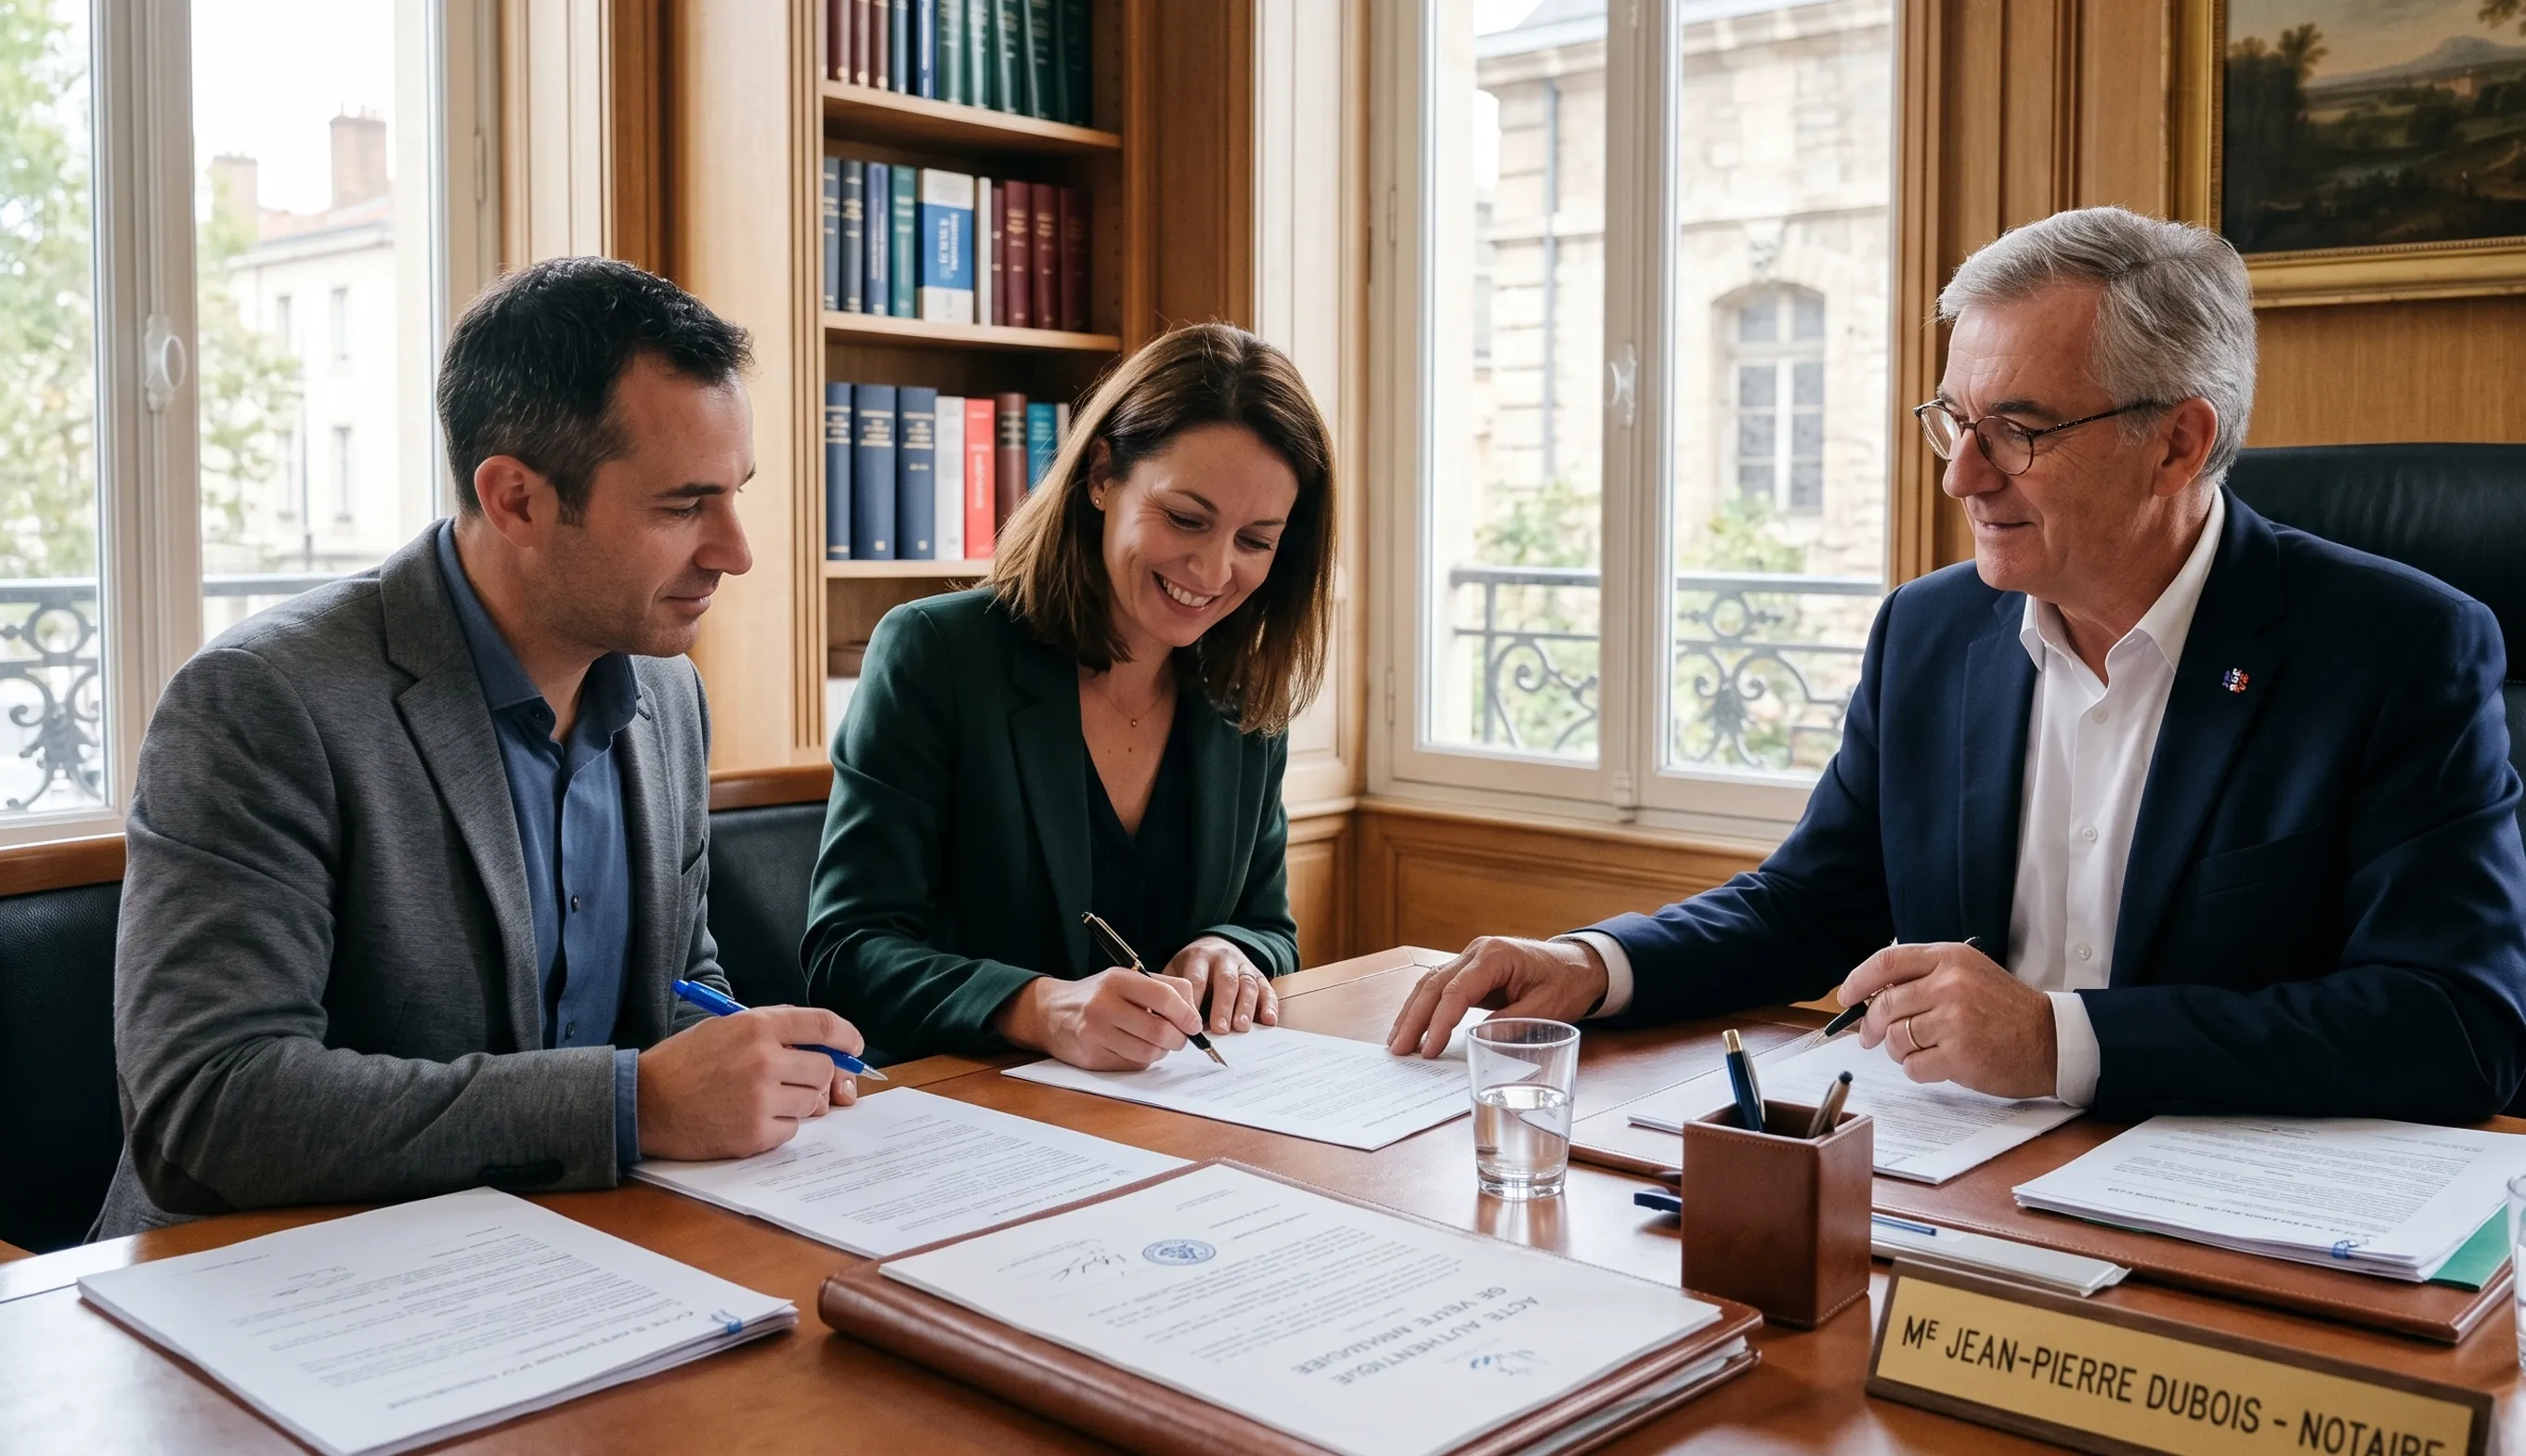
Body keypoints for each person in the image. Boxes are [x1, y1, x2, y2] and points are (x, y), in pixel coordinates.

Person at [1387, 206, 2526, 1122]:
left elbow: (2454, 1024)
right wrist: (1593, 964)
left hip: (2234, 1223)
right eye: (1952, 420)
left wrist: (2055, 1040)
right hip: (1953, 1190)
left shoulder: (2393, 648)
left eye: (2018, 432)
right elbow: (1813, 900)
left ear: (2176, 441)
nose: (1961, 478)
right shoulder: (1929, 633)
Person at [97, 257, 866, 1238]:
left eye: (734, 493)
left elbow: (677, 983)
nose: (736, 549)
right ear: (514, 500)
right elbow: (207, 1106)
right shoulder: (261, 702)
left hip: (560, 1249)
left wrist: (757, 1056)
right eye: (683, 506)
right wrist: (634, 1102)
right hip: (275, 1289)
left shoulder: (667, 691)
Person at [803, 323, 1335, 1070]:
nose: (1214, 570)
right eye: (1186, 518)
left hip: (1175, 1117)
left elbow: (1266, 924)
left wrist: (1230, 949)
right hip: (973, 1121)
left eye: (1255, 540)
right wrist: (1040, 1008)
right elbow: (846, 953)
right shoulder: (939, 654)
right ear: (1100, 476)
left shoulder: (1243, 691)